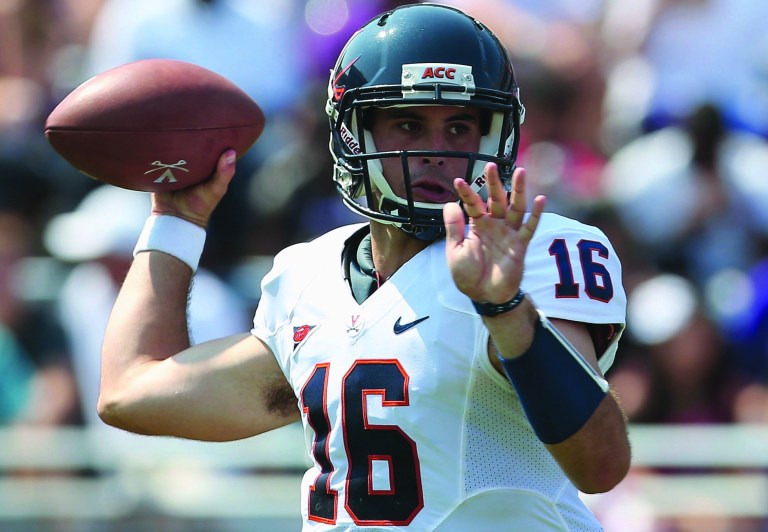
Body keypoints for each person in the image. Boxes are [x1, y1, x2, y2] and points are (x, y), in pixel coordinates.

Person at [97, 3, 630, 530]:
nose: (436, 151)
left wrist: (507, 309)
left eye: (459, 127)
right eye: (408, 124)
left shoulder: (534, 249)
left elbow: (600, 466)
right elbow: (131, 393)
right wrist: (177, 219)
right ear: (353, 134)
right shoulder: (308, 276)